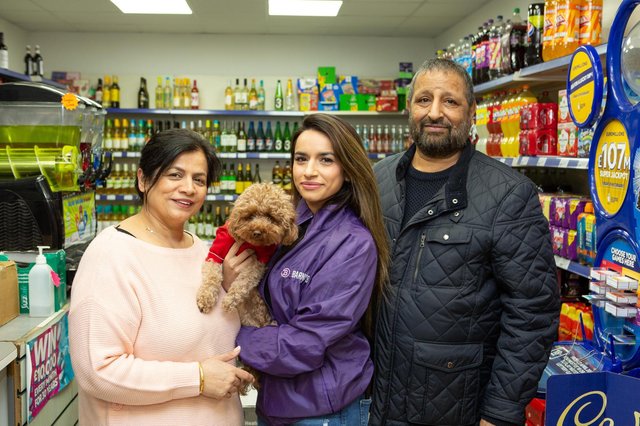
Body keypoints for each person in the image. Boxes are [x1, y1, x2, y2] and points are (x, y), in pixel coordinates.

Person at [370, 58, 560, 426]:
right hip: (371, 398)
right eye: (424, 99)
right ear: (409, 108)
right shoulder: (377, 179)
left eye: (450, 101)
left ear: (471, 112)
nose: (434, 113)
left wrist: (500, 412)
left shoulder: (508, 194)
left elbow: (532, 312)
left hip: (453, 406)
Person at [69, 129, 254, 425]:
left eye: (199, 180)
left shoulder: (203, 253)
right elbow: (98, 372)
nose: (188, 188)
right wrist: (198, 378)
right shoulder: (111, 255)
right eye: (175, 175)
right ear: (143, 180)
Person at [234, 114, 389, 425]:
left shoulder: (352, 243)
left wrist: (233, 341)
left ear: (348, 169)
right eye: (301, 159)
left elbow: (306, 341)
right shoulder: (290, 224)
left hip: (322, 407)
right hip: (277, 398)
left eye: (326, 160)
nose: (308, 171)